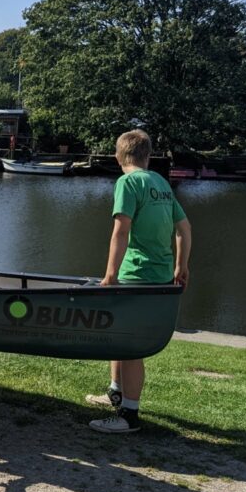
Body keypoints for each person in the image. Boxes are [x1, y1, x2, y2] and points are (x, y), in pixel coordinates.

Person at [87, 129, 192, 433]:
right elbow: (184, 227)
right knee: (120, 337)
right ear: (147, 156)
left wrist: (110, 275)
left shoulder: (128, 182)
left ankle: (129, 416)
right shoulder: (160, 182)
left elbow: (120, 231)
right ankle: (115, 394)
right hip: (159, 273)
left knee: (129, 343)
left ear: (119, 156)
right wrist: (181, 265)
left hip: (137, 274)